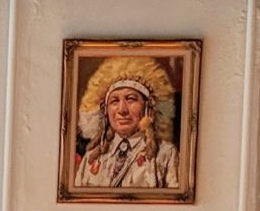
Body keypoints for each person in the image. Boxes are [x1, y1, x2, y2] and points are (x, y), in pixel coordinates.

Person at [73, 57, 182, 190]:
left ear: (148, 108)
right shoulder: (91, 158)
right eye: (114, 101)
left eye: (131, 99)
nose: (122, 110)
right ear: (105, 111)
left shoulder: (166, 154)